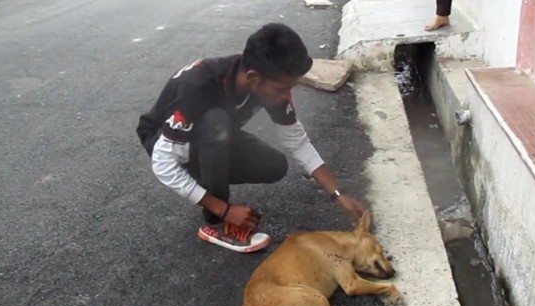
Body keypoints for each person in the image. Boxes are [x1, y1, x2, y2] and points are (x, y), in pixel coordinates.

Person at [136, 23, 366, 253]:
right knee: (217, 124)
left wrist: (338, 194)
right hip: (166, 141)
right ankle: (214, 224)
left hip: (212, 136)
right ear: (254, 78)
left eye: (291, 87)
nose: (286, 95)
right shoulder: (197, 87)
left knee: (273, 165)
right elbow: (163, 163)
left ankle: (205, 174)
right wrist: (225, 210)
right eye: (281, 89)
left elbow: (297, 142)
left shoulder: (266, 81)